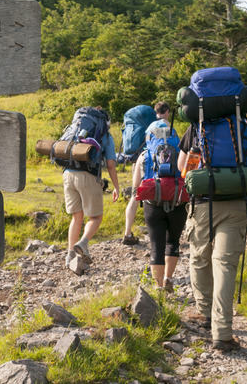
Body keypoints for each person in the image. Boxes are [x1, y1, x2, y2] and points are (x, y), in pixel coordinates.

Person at [177, 119, 247, 351]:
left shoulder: (196, 128)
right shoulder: (246, 129)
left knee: (199, 257)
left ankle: (205, 312)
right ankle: (223, 334)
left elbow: (182, 167)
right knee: (225, 266)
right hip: (236, 205)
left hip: (202, 206)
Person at [131, 120, 187, 292]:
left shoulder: (144, 155)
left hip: (152, 204)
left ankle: (159, 287)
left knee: (156, 245)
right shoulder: (181, 153)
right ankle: (169, 278)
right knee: (173, 242)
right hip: (178, 202)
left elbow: (135, 187)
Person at [63, 107, 120, 272]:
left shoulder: (75, 131)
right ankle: (83, 243)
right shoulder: (105, 136)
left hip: (67, 174)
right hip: (87, 176)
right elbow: (110, 165)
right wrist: (116, 187)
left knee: (76, 217)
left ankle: (69, 257)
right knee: (96, 217)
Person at [122, 102, 171, 245]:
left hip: (138, 159)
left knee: (135, 196)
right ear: (167, 111)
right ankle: (161, 233)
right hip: (154, 163)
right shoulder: (163, 125)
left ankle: (127, 233)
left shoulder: (147, 125)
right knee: (161, 194)